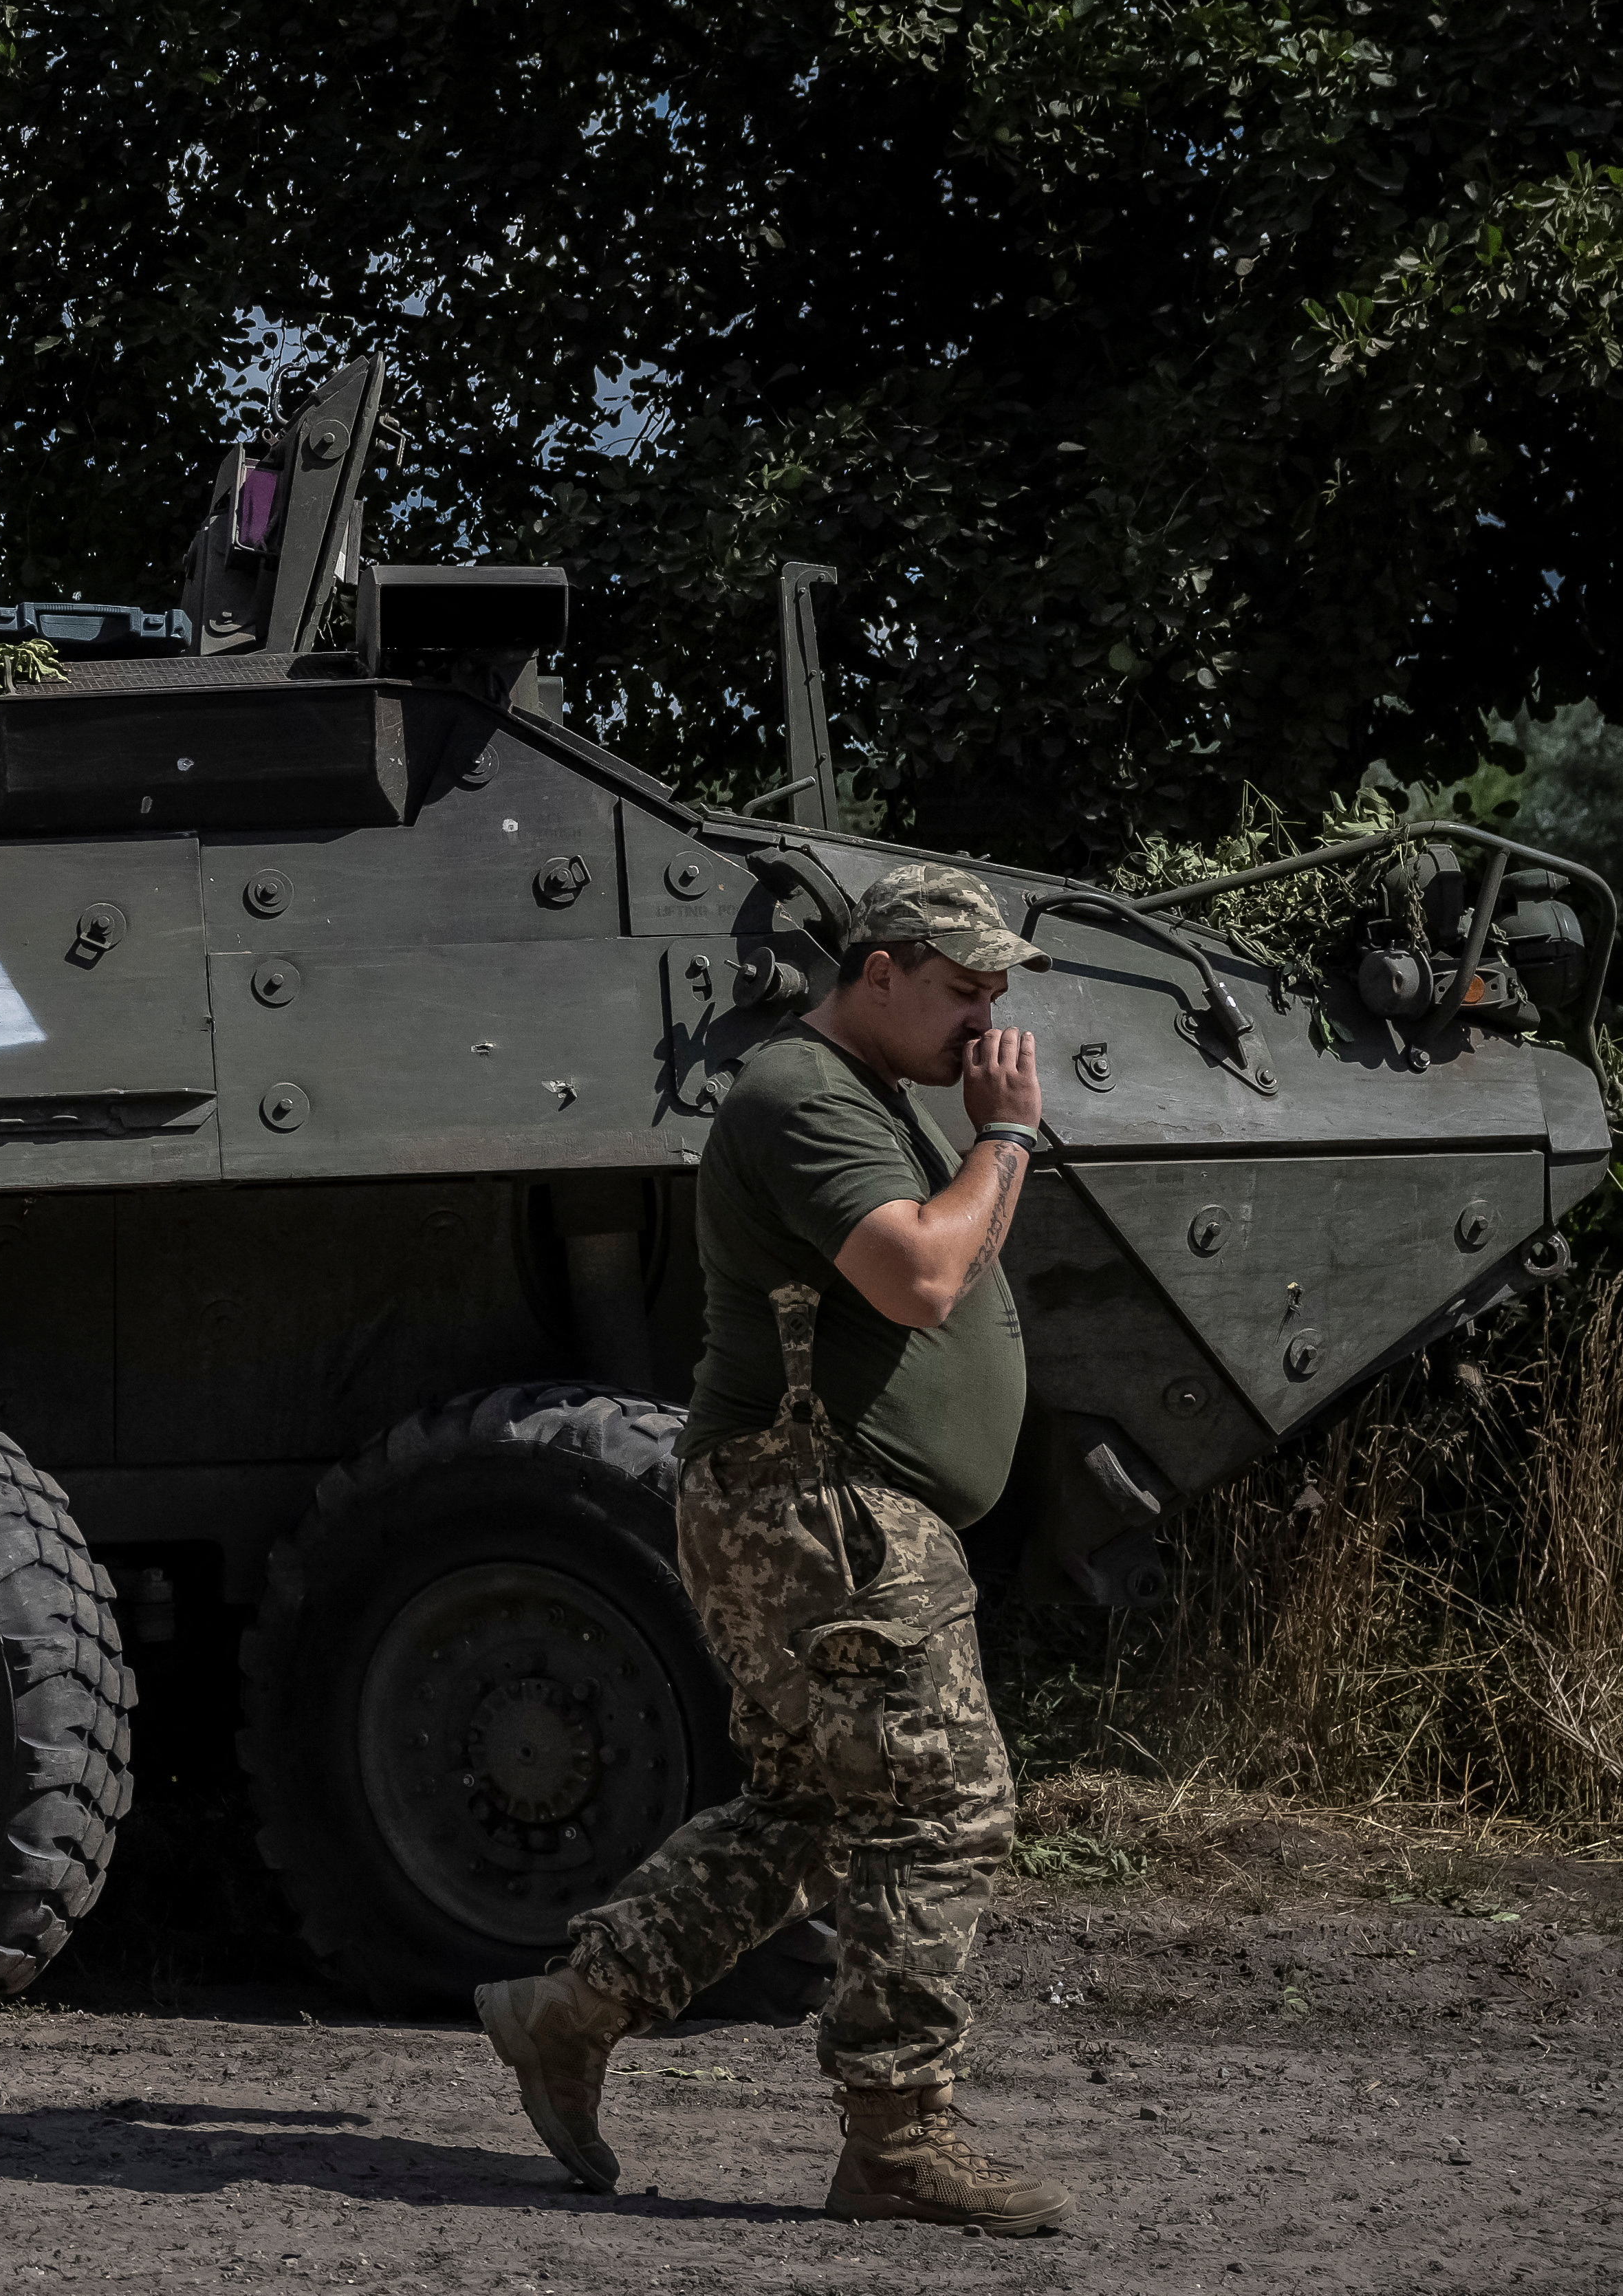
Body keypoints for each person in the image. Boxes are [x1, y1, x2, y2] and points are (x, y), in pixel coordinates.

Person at [475, 860, 1078, 2236]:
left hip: (821, 1507)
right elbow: (923, 1274)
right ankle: (895, 2143)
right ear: (875, 971)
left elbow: (949, 1263)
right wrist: (1009, 1138)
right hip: (822, 1509)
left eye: (996, 989)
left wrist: (988, 1144)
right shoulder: (802, 1096)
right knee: (941, 1805)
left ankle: (565, 2014)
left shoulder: (877, 1099)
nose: (985, 1017)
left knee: (812, 1814)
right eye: (960, 986)